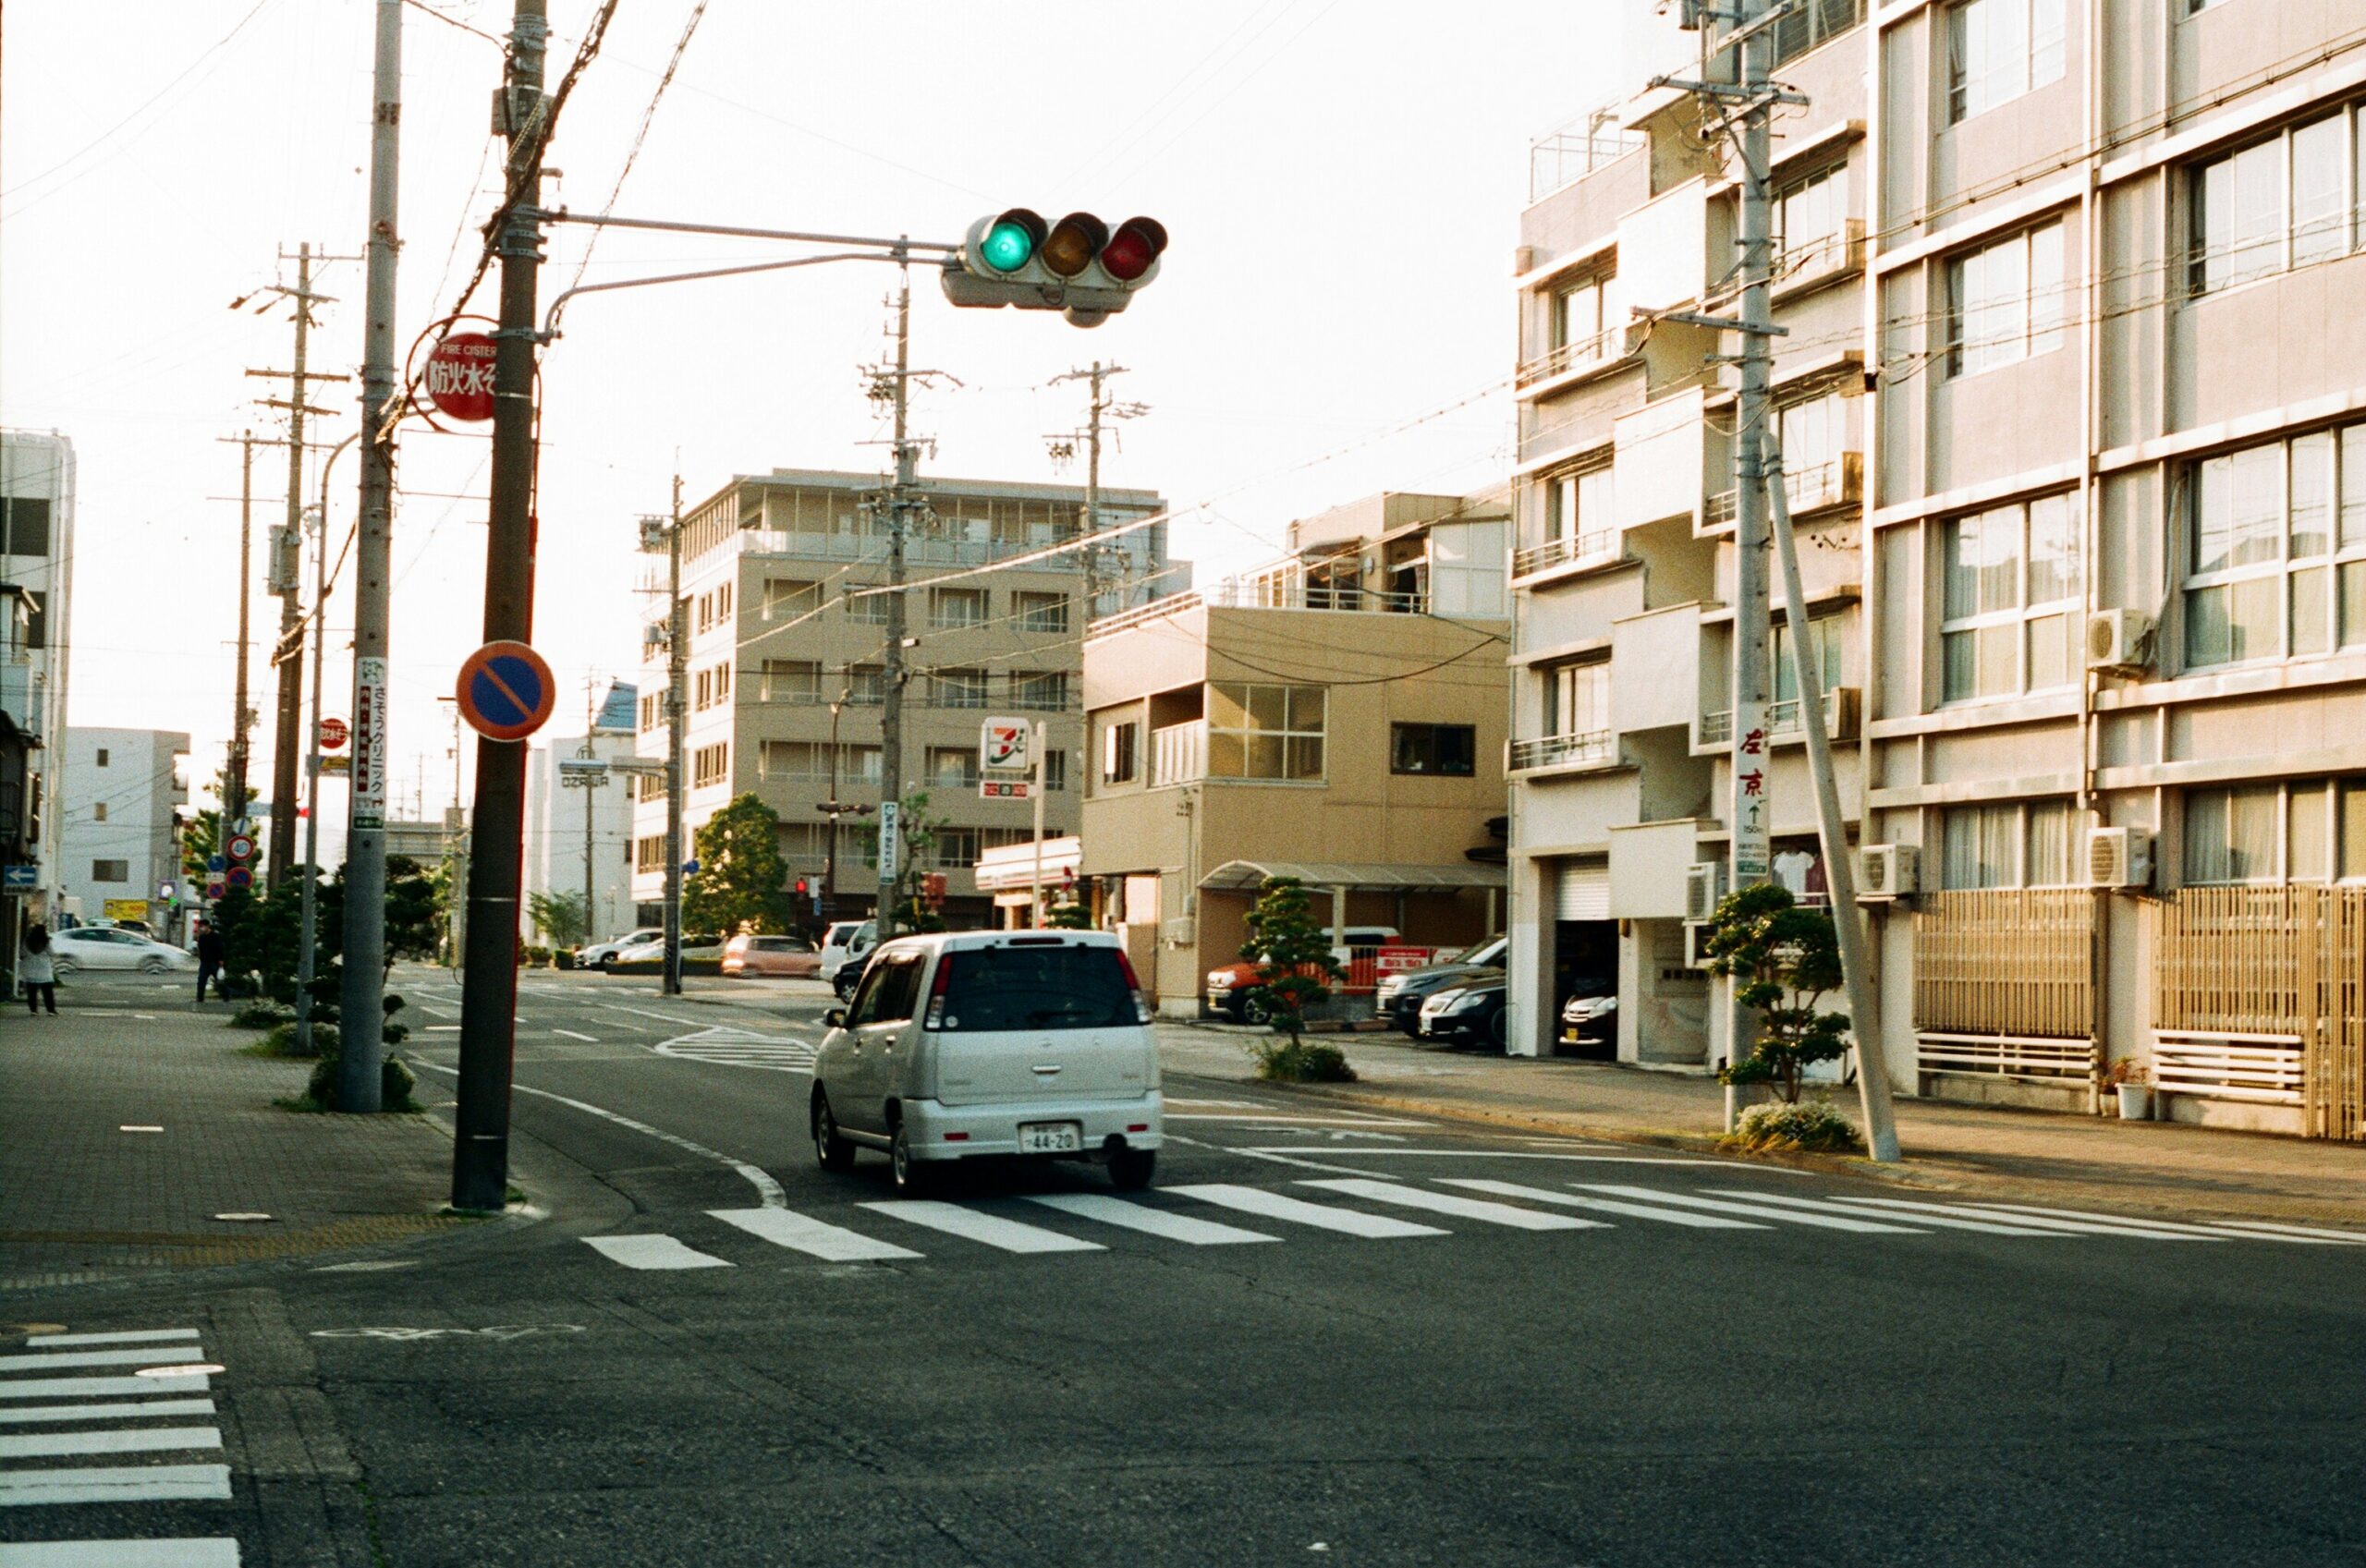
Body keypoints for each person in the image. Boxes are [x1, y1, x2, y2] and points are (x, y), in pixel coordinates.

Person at [20, 922, 56, 1016]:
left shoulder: (27, 941)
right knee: (47, 991)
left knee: (32, 991)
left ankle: (33, 1010)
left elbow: (22, 953)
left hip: (30, 967)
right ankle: (51, 1010)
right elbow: (52, 953)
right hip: (44, 968)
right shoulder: (46, 941)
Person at [194, 918, 226, 1003]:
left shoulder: (215, 936)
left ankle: (226, 994)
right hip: (204, 962)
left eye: (202, 926)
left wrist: (221, 959)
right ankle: (200, 998)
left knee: (219, 979)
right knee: (201, 980)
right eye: (200, 926)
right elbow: (200, 949)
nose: (201, 928)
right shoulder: (202, 937)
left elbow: (220, 948)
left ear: (207, 926)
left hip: (214, 962)